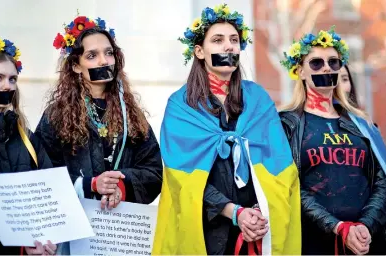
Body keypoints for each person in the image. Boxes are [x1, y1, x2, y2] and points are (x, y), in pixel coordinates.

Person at [152, 4, 301, 255]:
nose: (228, 46)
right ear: (199, 51)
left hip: (257, 230)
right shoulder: (180, 105)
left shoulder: (259, 100)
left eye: (234, 40)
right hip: (208, 231)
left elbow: (279, 166)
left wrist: (257, 212)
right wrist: (233, 212)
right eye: (218, 40)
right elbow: (183, 179)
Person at [34, 15, 163, 253]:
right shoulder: (56, 115)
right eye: (92, 56)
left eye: (109, 53)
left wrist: (121, 186)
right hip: (75, 234)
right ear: (75, 65)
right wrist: (90, 184)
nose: (104, 61)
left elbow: (154, 171)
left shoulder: (131, 114)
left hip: (121, 232)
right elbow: (42, 176)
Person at [279, 26, 386, 255]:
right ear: (300, 71)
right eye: (316, 63)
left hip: (365, 242)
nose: (326, 67)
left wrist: (366, 225)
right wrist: (337, 227)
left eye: (333, 62)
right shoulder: (285, 124)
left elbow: (381, 180)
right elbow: (289, 186)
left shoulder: (362, 125)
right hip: (313, 243)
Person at [0, 38, 56, 255]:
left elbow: (49, 196)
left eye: (12, 79)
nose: (7, 85)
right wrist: (20, 244)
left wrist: (43, 242)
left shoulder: (27, 137)